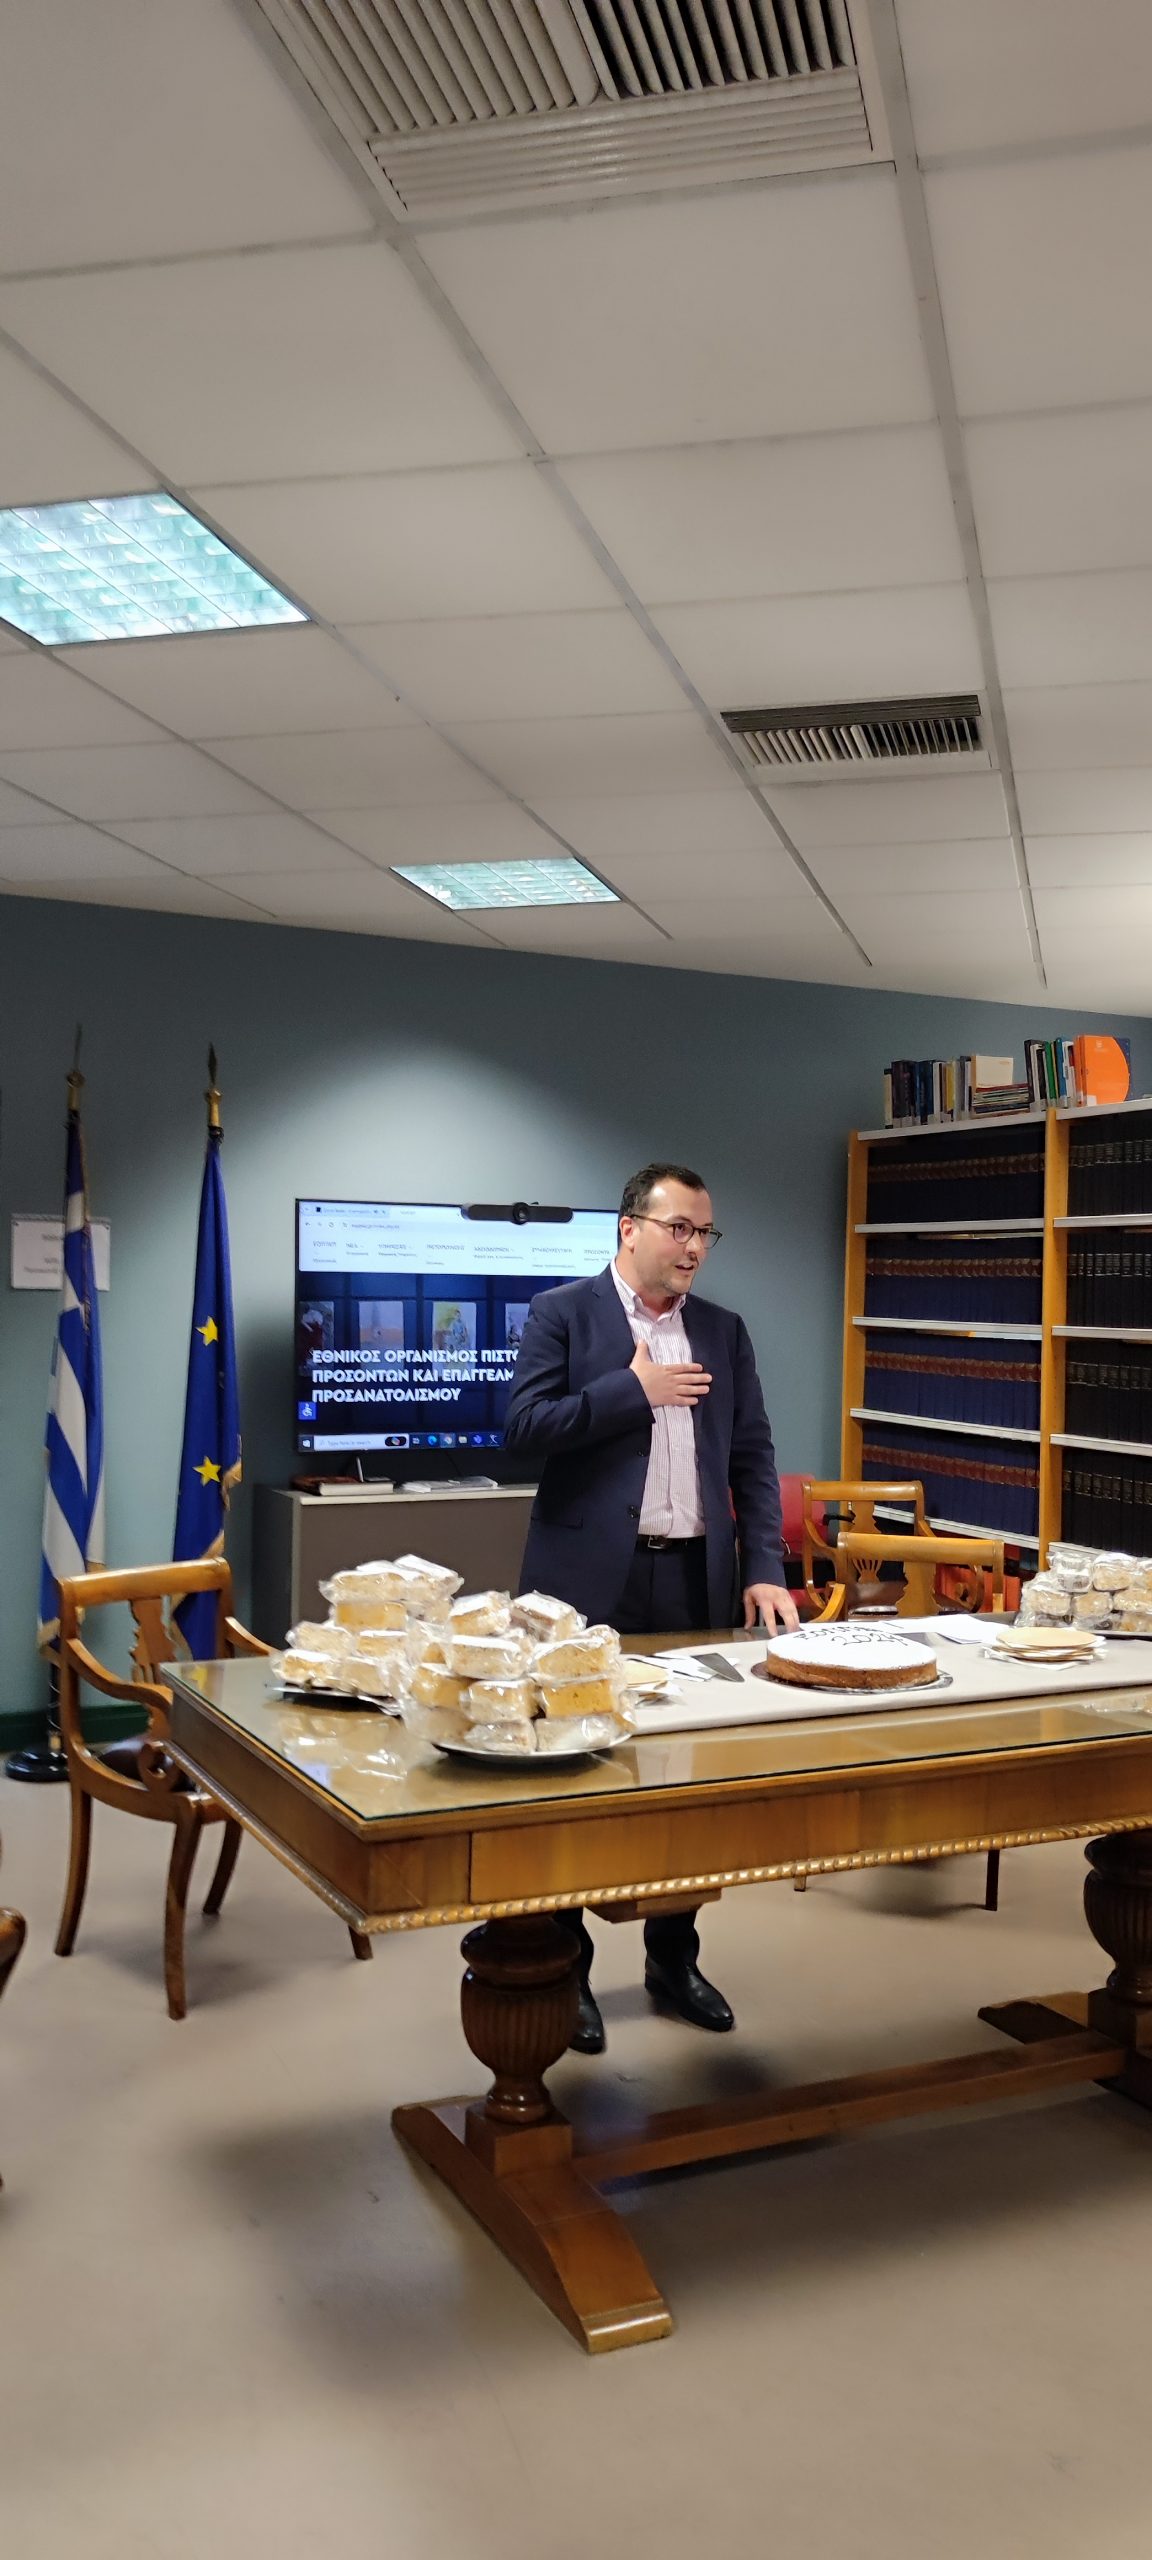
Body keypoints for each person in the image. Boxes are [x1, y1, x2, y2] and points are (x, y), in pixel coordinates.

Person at [503, 1162, 799, 2053]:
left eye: (705, 1232)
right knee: (575, 1778)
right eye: (679, 1228)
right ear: (629, 1228)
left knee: (685, 1781)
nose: (695, 1247)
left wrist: (765, 1566)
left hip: (694, 1583)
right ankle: (568, 1968)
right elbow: (522, 1430)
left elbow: (753, 1454)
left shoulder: (722, 1330)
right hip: (586, 1585)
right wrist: (632, 1391)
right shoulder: (563, 1313)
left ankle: (674, 1957)